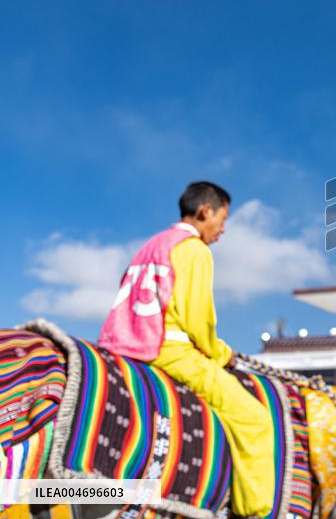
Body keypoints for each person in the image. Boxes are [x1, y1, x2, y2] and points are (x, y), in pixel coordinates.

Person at [99, 181, 275, 517]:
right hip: (169, 351)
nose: (222, 230)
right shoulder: (194, 249)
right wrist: (222, 353)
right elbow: (199, 322)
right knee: (255, 419)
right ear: (205, 211)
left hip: (120, 346)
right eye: (222, 220)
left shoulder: (151, 245)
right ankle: (253, 511)